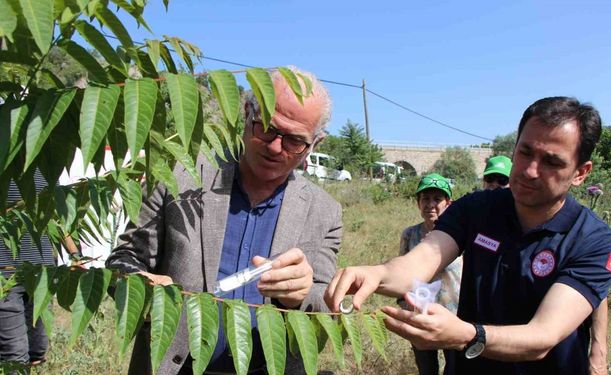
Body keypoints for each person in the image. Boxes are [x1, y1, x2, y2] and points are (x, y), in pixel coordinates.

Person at [325, 96, 611, 374]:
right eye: (525, 152)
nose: (531, 170)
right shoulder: (476, 208)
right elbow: (422, 261)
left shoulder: (594, 240)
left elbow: (542, 336)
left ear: (581, 172)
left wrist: (468, 334)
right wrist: (378, 274)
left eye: (552, 162)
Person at [106, 67, 342, 375]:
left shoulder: (324, 212)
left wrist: (301, 296)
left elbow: (326, 307)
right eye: (266, 128)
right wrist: (139, 286)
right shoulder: (179, 176)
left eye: (294, 141)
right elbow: (123, 262)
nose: (274, 147)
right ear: (246, 112)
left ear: (316, 143)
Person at [484, 156, 609, 374]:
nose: (495, 186)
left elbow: (596, 294)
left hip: (553, 360)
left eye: (501, 180)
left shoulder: (582, 233)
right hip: (484, 357)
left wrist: (599, 350)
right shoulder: (477, 217)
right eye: (490, 179)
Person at [0, 170, 81, 367]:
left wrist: (75, 255)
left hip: (42, 274)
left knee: (37, 349)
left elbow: (58, 215)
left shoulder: (47, 164)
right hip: (5, 274)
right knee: (14, 353)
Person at [398, 173, 461, 375]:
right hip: (421, 317)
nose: (430, 204)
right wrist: (404, 304)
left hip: (455, 318)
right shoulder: (410, 234)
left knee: (455, 369)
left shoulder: (462, 234)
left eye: (437, 199)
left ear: (448, 203)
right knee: (427, 369)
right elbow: (402, 272)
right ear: (418, 203)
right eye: (425, 198)